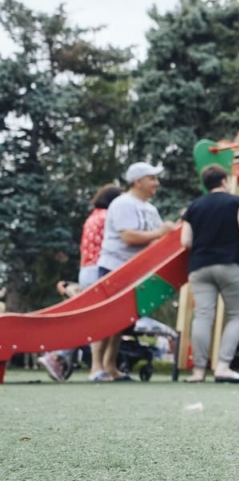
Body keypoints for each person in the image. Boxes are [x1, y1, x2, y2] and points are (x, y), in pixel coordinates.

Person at [92, 162, 176, 382]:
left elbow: (158, 240)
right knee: (104, 319)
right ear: (138, 182)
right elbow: (128, 237)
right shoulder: (122, 204)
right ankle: (95, 367)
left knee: (121, 321)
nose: (156, 183)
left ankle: (110, 366)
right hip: (114, 268)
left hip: (136, 272)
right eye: (152, 178)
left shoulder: (150, 209)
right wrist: (161, 231)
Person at [39, 184, 123, 382]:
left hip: (87, 268)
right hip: (99, 268)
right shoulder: (107, 217)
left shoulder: (93, 217)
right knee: (97, 320)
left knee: (92, 317)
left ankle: (65, 356)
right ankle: (59, 355)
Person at [180, 164, 239, 383]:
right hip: (231, 262)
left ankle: (198, 371)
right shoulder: (237, 202)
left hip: (200, 265)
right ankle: (222, 367)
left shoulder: (194, 207)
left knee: (203, 315)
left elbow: (186, 242)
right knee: (236, 315)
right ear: (224, 181)